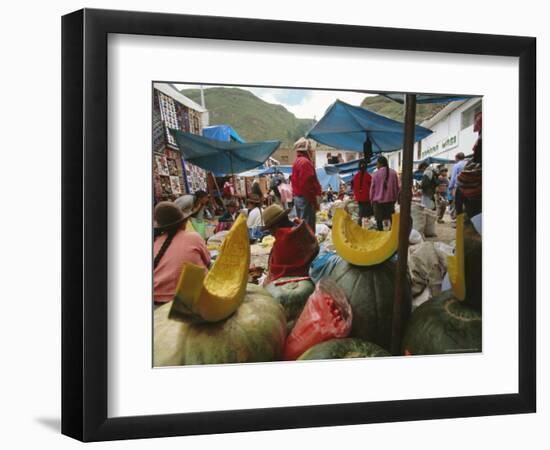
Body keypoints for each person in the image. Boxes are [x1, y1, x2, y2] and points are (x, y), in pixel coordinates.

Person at [153, 201, 210, 306]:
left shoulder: (155, 242)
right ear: (183, 223)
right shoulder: (193, 237)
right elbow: (207, 261)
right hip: (190, 298)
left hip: (156, 300)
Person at [261, 204, 319, 285]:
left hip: (301, 277)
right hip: (313, 271)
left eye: (270, 230)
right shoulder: (303, 228)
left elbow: (276, 271)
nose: (271, 234)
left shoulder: (283, 241)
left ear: (275, 226)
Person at [291, 137, 321, 233]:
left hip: (299, 198)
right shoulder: (305, 162)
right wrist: (314, 201)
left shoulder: (297, 161)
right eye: (311, 150)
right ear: (307, 150)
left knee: (302, 224)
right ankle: (308, 246)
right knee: (308, 227)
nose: (312, 152)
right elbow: (306, 186)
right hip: (305, 199)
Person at [370, 155, 400, 231]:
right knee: (391, 220)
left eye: (377, 164)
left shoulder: (375, 174)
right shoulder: (393, 173)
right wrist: (395, 198)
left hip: (378, 202)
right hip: (390, 201)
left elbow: (372, 189)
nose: (376, 166)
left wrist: (371, 201)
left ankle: (381, 238)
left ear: (381, 164)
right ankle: (392, 236)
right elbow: (397, 188)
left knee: (379, 223)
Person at [352, 159, 373, 225]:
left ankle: (360, 225)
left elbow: (353, 188)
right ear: (366, 167)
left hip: (359, 198)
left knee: (361, 213)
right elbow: (372, 188)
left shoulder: (355, 176)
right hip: (367, 198)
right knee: (368, 215)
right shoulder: (368, 176)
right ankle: (365, 226)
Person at [449, 152, 467, 217]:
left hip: (460, 189)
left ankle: (460, 226)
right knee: (467, 207)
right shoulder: (468, 163)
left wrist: (450, 188)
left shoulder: (457, 165)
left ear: (457, 158)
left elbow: (453, 178)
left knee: (459, 207)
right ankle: (467, 224)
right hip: (470, 188)